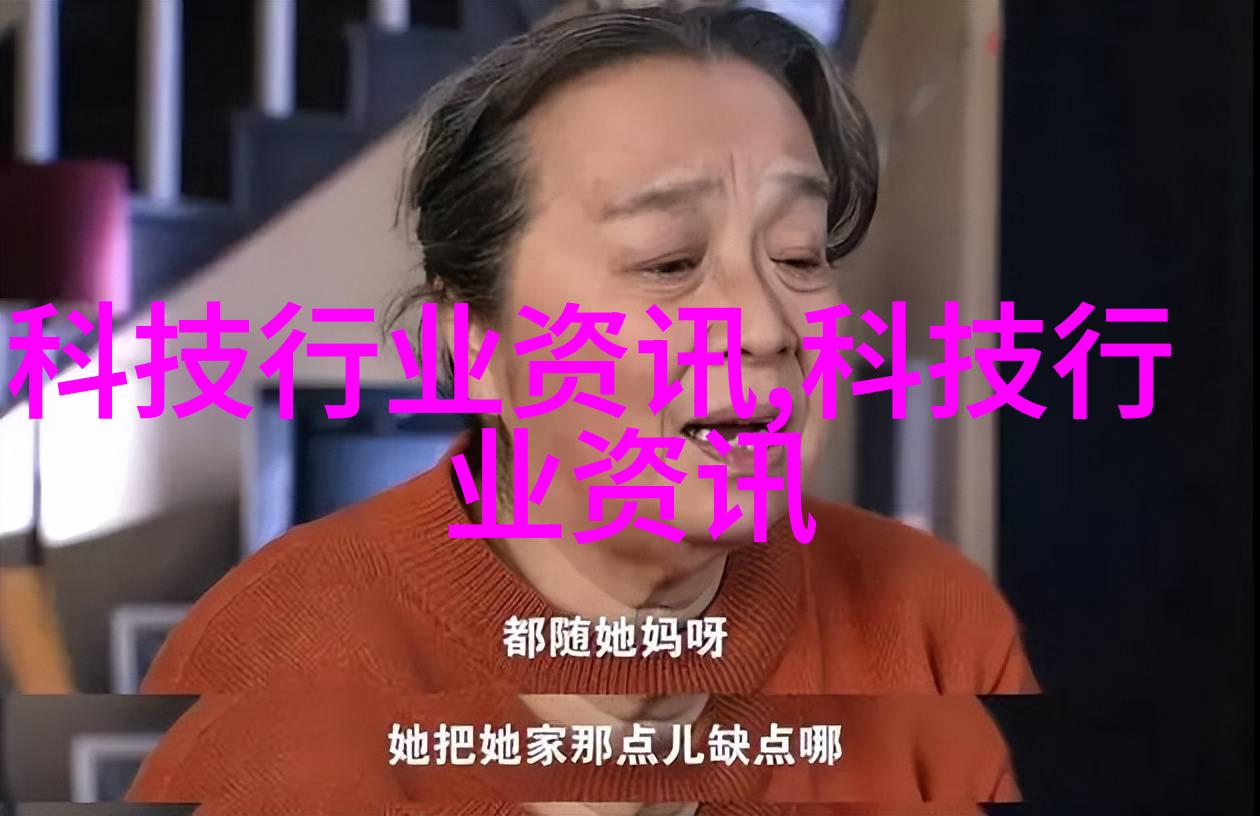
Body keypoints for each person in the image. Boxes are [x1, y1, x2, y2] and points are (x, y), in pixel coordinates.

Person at [128, 6, 1037, 814]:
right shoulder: (270, 672)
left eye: (799, 257)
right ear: (475, 351)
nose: (767, 327)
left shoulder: (931, 627)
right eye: (669, 262)